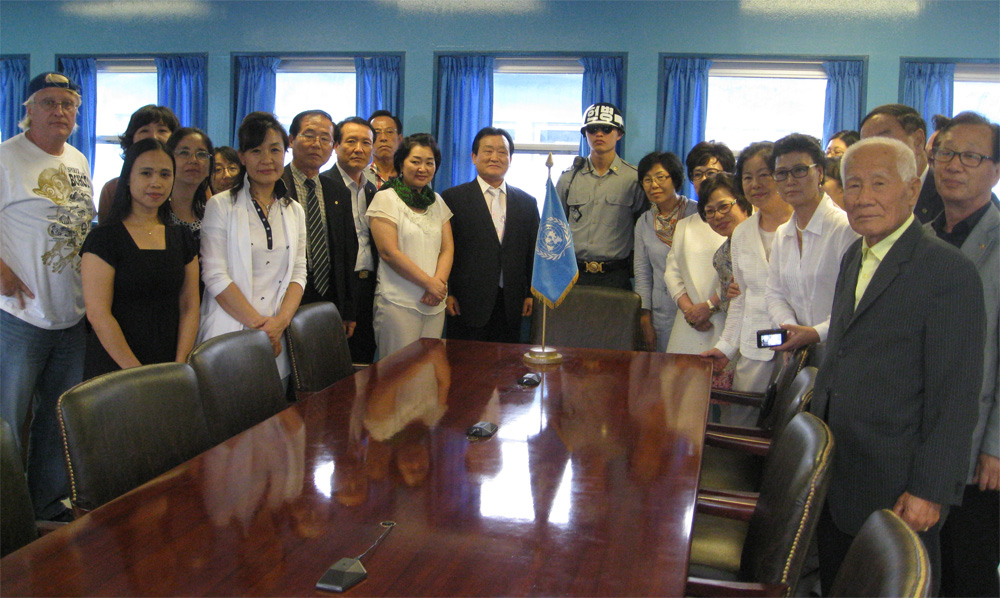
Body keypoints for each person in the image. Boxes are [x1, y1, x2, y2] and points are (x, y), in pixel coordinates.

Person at [810, 136, 985, 596]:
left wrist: (931, 490)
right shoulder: (855, 254)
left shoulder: (947, 271)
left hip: (898, 481)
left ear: (912, 190)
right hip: (840, 472)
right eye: (853, 184)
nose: (863, 197)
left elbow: (956, 395)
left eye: (879, 183)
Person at [0, 72, 94, 522]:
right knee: (7, 424)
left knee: (58, 421)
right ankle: (6, 518)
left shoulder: (78, 159)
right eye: (49, 102)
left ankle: (46, 506)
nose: (60, 111)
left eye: (68, 103)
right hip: (19, 317)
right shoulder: (6, 157)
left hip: (71, 316)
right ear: (29, 110)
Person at [927, 111, 1000, 598]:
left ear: (995, 170)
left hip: (979, 446)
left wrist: (997, 445)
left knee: (968, 570)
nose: (954, 165)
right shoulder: (922, 235)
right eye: (946, 153)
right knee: (924, 566)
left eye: (971, 156)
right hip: (922, 434)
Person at [198, 112, 307, 388]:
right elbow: (214, 275)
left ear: (286, 152)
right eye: (256, 151)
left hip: (277, 337)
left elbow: (298, 272)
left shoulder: (294, 210)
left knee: (275, 410)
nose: (267, 159)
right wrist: (261, 329)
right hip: (228, 333)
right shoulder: (221, 205)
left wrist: (280, 323)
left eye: (275, 150)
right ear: (242, 157)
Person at [80, 138, 199, 379]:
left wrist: (179, 364)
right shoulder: (103, 239)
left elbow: (189, 306)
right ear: (128, 178)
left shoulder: (181, 236)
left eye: (165, 174)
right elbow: (98, 314)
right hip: (116, 366)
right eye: (146, 173)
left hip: (169, 361)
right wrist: (139, 374)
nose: (156, 182)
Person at [702, 142, 794, 426]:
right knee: (741, 423)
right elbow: (739, 298)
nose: (755, 184)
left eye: (764, 174)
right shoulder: (742, 233)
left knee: (791, 429)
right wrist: (726, 346)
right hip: (755, 346)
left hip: (798, 346)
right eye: (747, 177)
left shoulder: (801, 226)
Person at [442, 126, 539, 343]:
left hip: (512, 302)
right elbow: (444, 250)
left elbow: (532, 253)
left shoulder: (527, 202)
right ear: (474, 157)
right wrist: (448, 292)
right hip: (466, 302)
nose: (495, 157)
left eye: (502, 152)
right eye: (487, 151)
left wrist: (530, 294)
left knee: (507, 361)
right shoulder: (452, 198)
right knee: (465, 361)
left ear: (510, 159)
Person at [764, 133, 857, 352]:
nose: (790, 181)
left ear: (820, 173)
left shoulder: (845, 228)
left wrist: (816, 333)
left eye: (800, 170)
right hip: (801, 353)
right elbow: (774, 293)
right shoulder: (783, 234)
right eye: (781, 173)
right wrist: (791, 329)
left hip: (843, 349)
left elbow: (856, 299)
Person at [366, 133, 453, 358]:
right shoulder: (386, 198)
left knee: (428, 369)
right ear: (402, 163)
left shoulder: (437, 201)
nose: (423, 168)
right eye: (415, 161)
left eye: (429, 162)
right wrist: (429, 284)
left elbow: (447, 249)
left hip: (434, 303)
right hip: (398, 303)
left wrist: (438, 285)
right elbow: (389, 252)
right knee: (396, 372)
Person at [281, 110, 357, 337]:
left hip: (328, 294)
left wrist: (348, 309)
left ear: (333, 147)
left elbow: (348, 251)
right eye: (309, 135)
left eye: (325, 139)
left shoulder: (337, 191)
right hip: (285, 293)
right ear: (291, 140)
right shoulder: (276, 185)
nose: (317, 144)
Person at [556, 103, 645, 289]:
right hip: (573, 274)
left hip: (616, 275)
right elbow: (554, 226)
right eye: (592, 129)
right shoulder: (568, 179)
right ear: (585, 134)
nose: (599, 134)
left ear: (619, 134)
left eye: (606, 129)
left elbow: (644, 228)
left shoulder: (634, 179)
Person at [662, 142, 738, 355]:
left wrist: (709, 306)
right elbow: (672, 274)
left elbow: (739, 275)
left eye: (711, 173)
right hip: (689, 323)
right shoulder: (684, 225)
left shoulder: (739, 220)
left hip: (727, 320)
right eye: (698, 174)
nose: (704, 179)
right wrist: (690, 311)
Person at [323, 116, 380, 363]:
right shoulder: (323, 185)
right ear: (336, 145)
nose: (359, 149)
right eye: (351, 141)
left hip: (369, 286)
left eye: (366, 143)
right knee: (335, 362)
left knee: (365, 360)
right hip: (337, 289)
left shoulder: (372, 190)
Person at [633, 151, 698, 352]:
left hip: (697, 308)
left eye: (661, 177)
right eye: (647, 180)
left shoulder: (697, 213)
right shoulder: (644, 222)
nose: (654, 185)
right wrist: (645, 318)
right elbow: (642, 274)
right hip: (661, 313)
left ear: (675, 178)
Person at [860, 103, 942, 224]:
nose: (874, 155)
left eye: (883, 143)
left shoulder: (944, 195)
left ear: (918, 141)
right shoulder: (867, 197)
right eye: (866, 146)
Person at [96, 104, 179, 224]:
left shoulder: (185, 186)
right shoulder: (112, 189)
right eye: (144, 130)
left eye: (162, 130)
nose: (153, 136)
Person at [165, 127, 213, 242]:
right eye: (184, 153)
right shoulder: (155, 214)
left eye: (201, 154)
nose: (193, 160)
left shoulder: (213, 215)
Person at [366, 110, 403, 188]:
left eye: (389, 132)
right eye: (377, 133)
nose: (383, 138)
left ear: (399, 139)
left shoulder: (411, 175)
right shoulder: (359, 176)